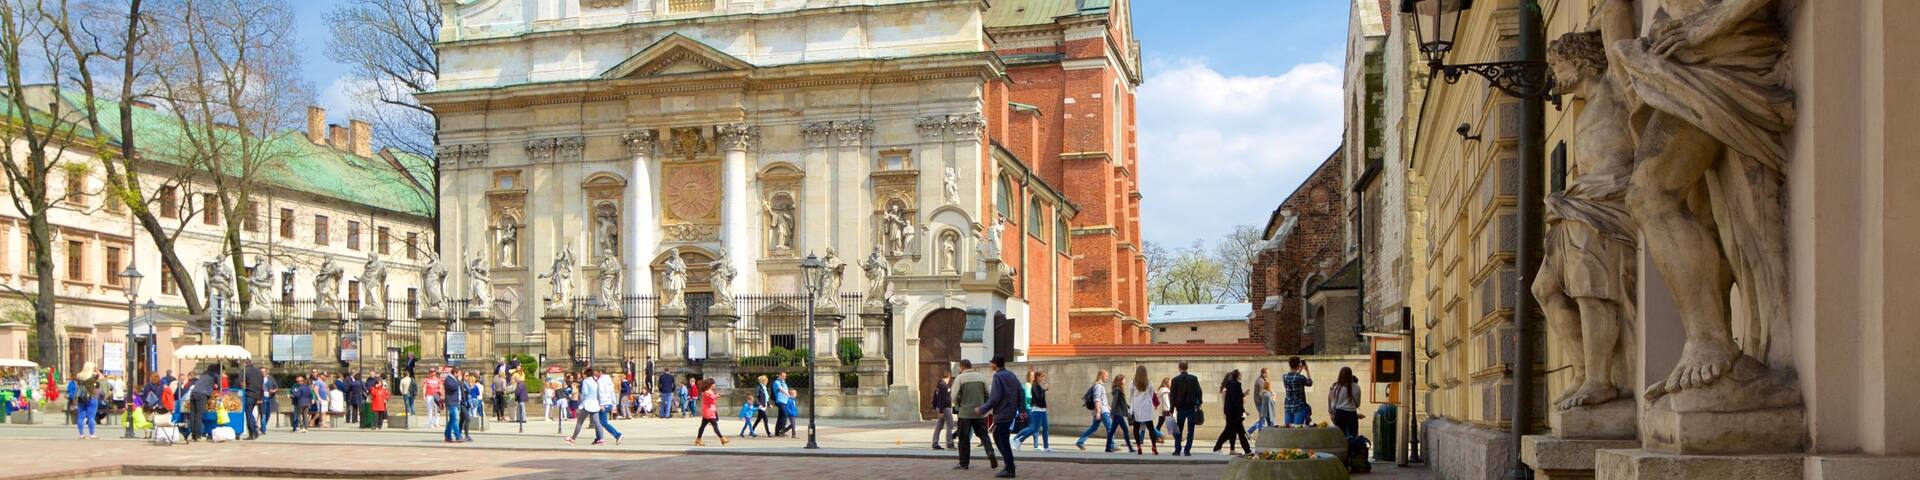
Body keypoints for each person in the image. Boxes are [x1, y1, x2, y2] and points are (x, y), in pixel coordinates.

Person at [979, 356, 1022, 478]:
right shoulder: (1011, 375)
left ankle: (1010, 468)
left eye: (992, 363)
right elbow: (1021, 392)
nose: (991, 365)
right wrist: (1022, 409)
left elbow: (995, 398)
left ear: (995, 364)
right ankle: (1009, 463)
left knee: (1003, 439)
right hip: (1010, 411)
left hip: (1002, 412)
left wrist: (982, 409)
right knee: (998, 435)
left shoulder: (998, 376)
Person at [952, 359, 998, 472]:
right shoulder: (981, 377)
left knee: (964, 438)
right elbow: (988, 394)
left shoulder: (960, 378)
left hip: (965, 413)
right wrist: (984, 406)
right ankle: (990, 452)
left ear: (961, 367)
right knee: (983, 435)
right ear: (971, 366)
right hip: (980, 413)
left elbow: (954, 396)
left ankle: (964, 463)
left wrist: (958, 406)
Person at [1073, 370, 1116, 452]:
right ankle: (1111, 445)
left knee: (1094, 428)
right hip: (1102, 411)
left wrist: (1109, 408)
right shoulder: (1098, 386)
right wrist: (1098, 412)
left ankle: (1080, 441)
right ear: (1102, 376)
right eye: (1106, 376)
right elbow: (1097, 400)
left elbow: (1102, 400)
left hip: (1101, 410)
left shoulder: (1099, 386)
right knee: (1110, 427)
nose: (1107, 378)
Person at [1212, 369, 1252, 455]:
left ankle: (1242, 450)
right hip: (1235, 414)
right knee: (1237, 432)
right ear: (1237, 376)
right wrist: (1243, 412)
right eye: (1240, 374)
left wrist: (1243, 394)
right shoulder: (1236, 385)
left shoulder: (1230, 385)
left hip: (1231, 413)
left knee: (1231, 431)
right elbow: (1237, 401)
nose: (1241, 376)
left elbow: (1235, 397)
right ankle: (1247, 450)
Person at [1170, 362, 1202, 456]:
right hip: (1191, 407)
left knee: (1179, 429)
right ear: (1187, 367)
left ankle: (1177, 450)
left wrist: (1171, 409)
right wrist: (1199, 403)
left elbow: (1172, 396)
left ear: (1179, 367)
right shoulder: (1193, 378)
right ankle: (1187, 450)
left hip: (1180, 408)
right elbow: (1199, 392)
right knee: (1191, 430)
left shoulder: (1175, 380)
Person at [1012, 371, 1050, 452]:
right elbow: (1039, 397)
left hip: (1042, 409)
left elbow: (1041, 398)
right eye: (1042, 377)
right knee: (1034, 429)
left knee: (1046, 428)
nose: (1043, 379)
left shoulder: (1038, 385)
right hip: (1037, 410)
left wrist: (1043, 390)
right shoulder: (1034, 385)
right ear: (1038, 377)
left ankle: (1046, 447)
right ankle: (1019, 440)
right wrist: (1044, 390)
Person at [566, 368, 604, 445]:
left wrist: (581, 400)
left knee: (579, 422)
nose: (582, 375)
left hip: (587, 404)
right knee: (597, 422)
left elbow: (585, 393)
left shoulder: (585, 381)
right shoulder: (595, 381)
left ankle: (573, 438)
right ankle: (601, 439)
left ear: (586, 374)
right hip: (594, 403)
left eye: (583, 374)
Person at [1128, 367, 1160, 455]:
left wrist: (1131, 406)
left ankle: (1139, 447)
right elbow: (1151, 394)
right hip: (1147, 407)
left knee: (1136, 427)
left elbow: (1130, 396)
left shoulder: (1133, 383)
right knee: (1151, 428)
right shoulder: (1149, 382)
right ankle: (1154, 447)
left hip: (1136, 407)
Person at [1328, 367, 1365, 438]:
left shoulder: (1337, 387)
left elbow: (1333, 405)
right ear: (1351, 375)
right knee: (1353, 438)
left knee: (1340, 438)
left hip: (1340, 414)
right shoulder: (1357, 387)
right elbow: (1358, 404)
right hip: (1352, 415)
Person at [694, 378, 728, 446]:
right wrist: (717, 396)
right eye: (713, 384)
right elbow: (712, 400)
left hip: (709, 411)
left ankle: (698, 439)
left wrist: (716, 396)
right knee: (715, 426)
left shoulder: (708, 391)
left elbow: (712, 399)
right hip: (709, 412)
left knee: (703, 426)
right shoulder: (707, 392)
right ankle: (722, 438)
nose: (714, 385)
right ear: (711, 384)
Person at [1281, 357, 1314, 426]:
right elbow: (1310, 383)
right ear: (1299, 365)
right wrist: (1307, 370)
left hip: (1288, 406)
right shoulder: (1300, 377)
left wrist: (1299, 370)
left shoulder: (1285, 377)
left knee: (1288, 429)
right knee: (1298, 428)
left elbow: (1293, 378)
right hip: (1299, 406)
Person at [1107, 374, 1136, 453]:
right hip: (1118, 414)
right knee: (1126, 430)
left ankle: (1107, 448)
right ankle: (1130, 448)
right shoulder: (1118, 390)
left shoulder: (1119, 389)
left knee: (1112, 431)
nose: (1125, 380)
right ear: (1120, 381)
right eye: (1124, 379)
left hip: (1117, 414)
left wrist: (1129, 406)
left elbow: (1122, 402)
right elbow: (1114, 401)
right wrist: (1112, 413)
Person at [189, 364, 218, 442]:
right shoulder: (214, 375)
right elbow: (218, 385)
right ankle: (197, 435)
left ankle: (192, 435)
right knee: (199, 415)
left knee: (193, 414)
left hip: (193, 393)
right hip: (202, 395)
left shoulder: (203, 374)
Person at [594, 369, 623, 444]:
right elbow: (612, 393)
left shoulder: (600, 381)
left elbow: (600, 393)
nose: (595, 375)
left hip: (603, 403)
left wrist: (601, 404)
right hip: (608, 403)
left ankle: (617, 435)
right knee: (598, 421)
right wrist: (614, 404)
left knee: (602, 422)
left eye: (595, 373)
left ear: (600, 372)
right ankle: (598, 438)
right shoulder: (609, 380)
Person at [74, 363, 100, 439]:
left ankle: (81, 434)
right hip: (92, 397)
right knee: (91, 417)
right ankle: (92, 434)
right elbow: (102, 377)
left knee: (80, 416)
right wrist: (97, 370)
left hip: (81, 397)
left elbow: (77, 386)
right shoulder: (93, 376)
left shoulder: (79, 376)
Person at [930, 372, 955, 450]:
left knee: (939, 426)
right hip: (945, 408)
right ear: (949, 377)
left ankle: (935, 443)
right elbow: (942, 399)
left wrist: (935, 406)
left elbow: (935, 397)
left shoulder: (939, 385)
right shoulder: (944, 386)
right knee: (950, 425)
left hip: (941, 408)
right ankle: (949, 443)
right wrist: (941, 411)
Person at [441, 370, 467, 443]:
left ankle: (447, 436)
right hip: (451, 402)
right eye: (458, 373)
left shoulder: (455, 380)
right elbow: (454, 387)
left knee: (451, 420)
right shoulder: (448, 379)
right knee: (455, 419)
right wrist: (458, 381)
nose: (459, 375)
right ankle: (458, 436)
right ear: (454, 373)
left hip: (456, 402)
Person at [242, 360, 266, 440]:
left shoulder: (244, 370)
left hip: (249, 394)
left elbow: (241, 383)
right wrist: (260, 397)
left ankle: (254, 429)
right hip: (257, 395)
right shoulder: (259, 372)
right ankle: (253, 433)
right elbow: (262, 386)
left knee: (248, 413)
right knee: (250, 413)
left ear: (245, 363)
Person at [1248, 368, 1275, 434]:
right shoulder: (1260, 381)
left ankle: (1253, 432)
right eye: (1267, 373)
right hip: (1261, 403)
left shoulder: (1262, 380)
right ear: (1263, 373)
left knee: (1265, 419)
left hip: (1261, 403)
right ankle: (1249, 432)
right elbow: (1262, 394)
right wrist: (1271, 396)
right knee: (1263, 420)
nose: (1268, 374)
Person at [771, 372, 795, 437]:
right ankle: (781, 431)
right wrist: (788, 395)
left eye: (785, 376)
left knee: (781, 416)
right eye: (783, 376)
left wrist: (789, 397)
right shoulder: (777, 382)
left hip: (785, 401)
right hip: (780, 400)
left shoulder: (784, 383)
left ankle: (778, 432)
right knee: (784, 414)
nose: (784, 377)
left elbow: (786, 390)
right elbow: (781, 389)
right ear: (780, 376)